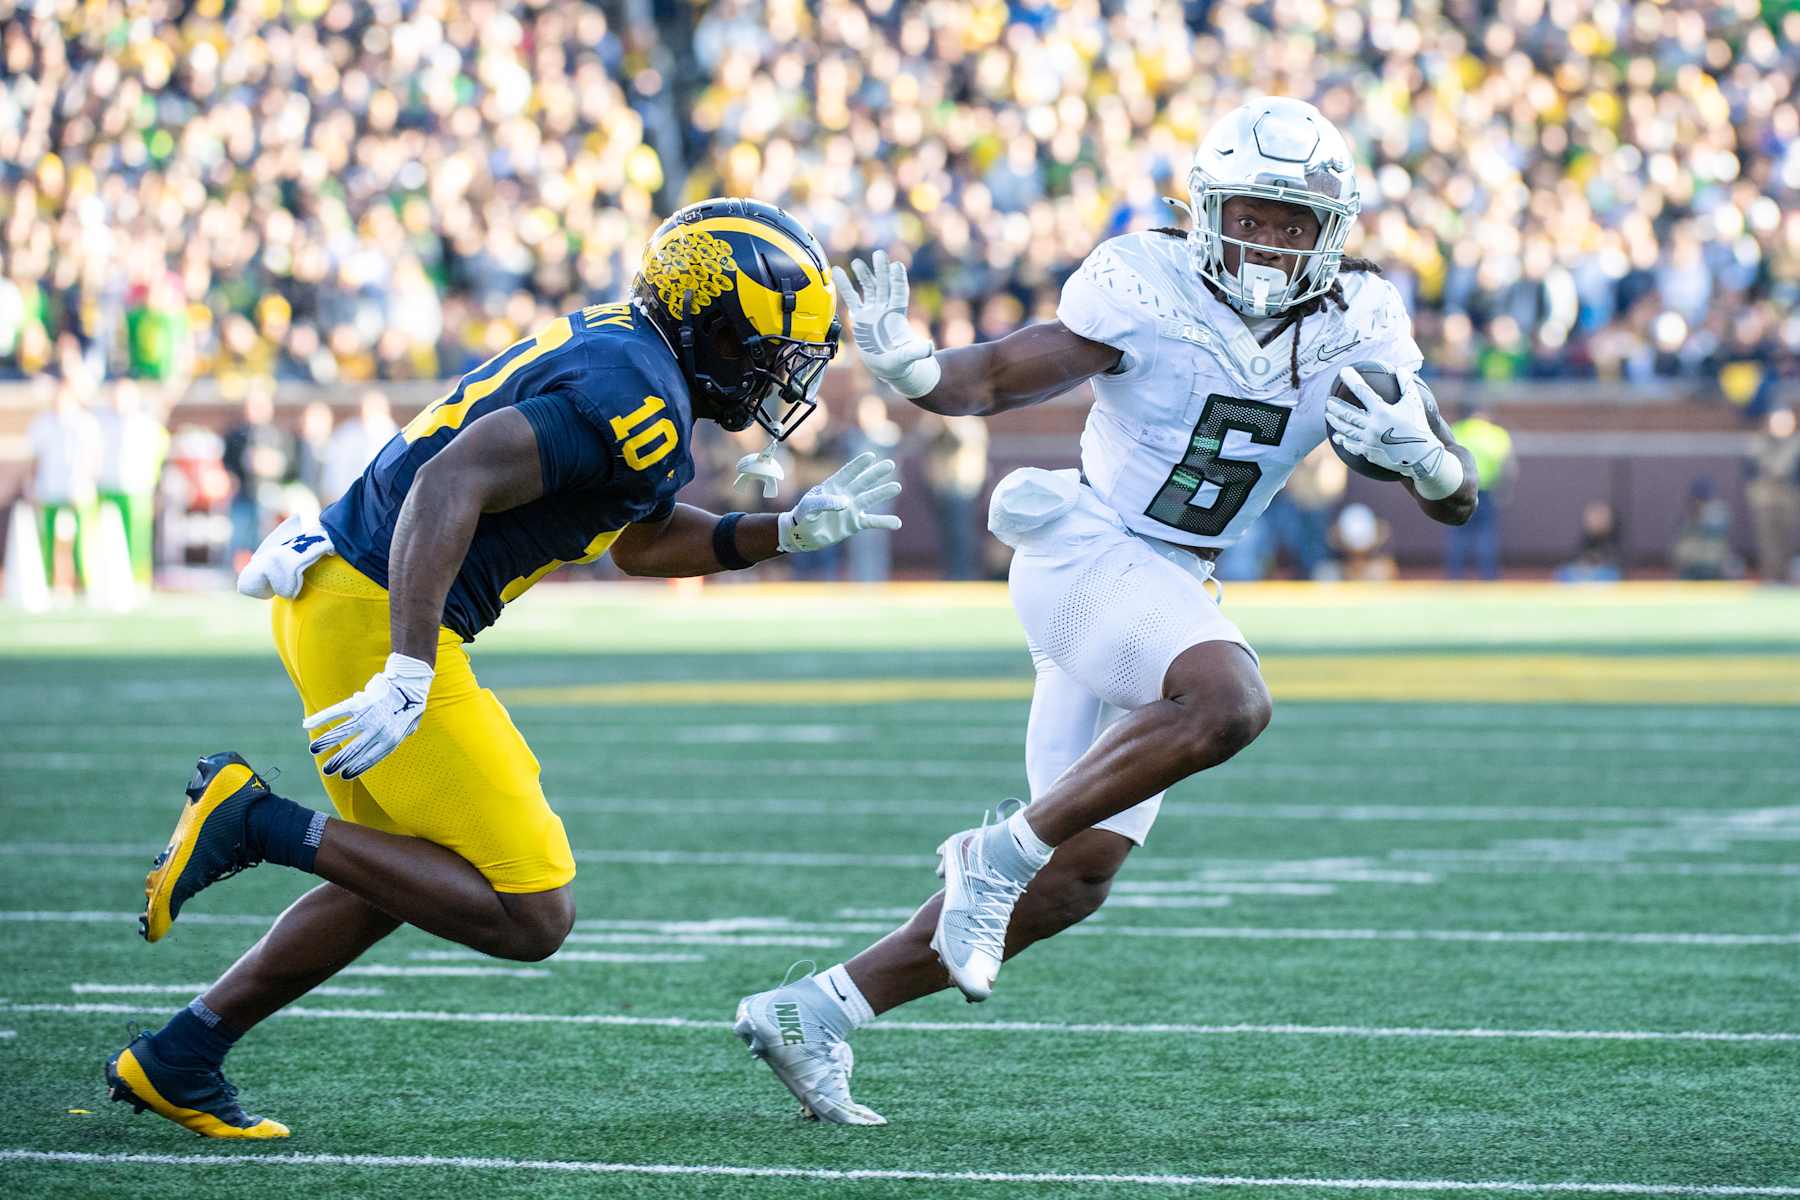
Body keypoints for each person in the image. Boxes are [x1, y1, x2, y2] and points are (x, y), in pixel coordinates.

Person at [733, 99, 1478, 1124]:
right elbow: (1000, 371)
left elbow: (1458, 496)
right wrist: (915, 372)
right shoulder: (1148, 278)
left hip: (1169, 588)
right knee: (1230, 703)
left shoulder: (1364, 321)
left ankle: (817, 1010)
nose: (1268, 239)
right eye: (1252, 214)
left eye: (1293, 220)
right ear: (1209, 210)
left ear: (1333, 230)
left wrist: (1429, 457)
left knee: (1076, 878)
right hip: (1087, 550)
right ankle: (995, 850)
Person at [106, 199, 902, 1139]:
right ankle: (253, 820)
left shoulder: (632, 359)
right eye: (761, 345)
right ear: (707, 318)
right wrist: (406, 666)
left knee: (404, 875)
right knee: (532, 909)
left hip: (350, 595)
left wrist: (782, 531)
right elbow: (453, 478)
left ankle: (183, 1053)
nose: (772, 371)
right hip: (382, 616)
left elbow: (635, 544)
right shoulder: (636, 397)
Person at [25, 378, 103, 592]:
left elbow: (93, 458)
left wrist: (86, 482)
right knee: (48, 540)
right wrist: (33, 484)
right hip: (49, 489)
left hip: (79, 489)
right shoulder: (42, 423)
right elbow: (35, 458)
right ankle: (49, 582)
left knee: (84, 541)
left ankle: (86, 583)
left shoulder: (86, 423)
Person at [1444, 403, 1514, 580]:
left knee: (1459, 533)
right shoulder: (1496, 434)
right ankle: (1488, 577)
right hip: (1485, 490)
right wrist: (1505, 490)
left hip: (1459, 489)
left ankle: (1455, 576)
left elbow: (1443, 460)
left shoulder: (1456, 430)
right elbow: (1508, 466)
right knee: (1486, 534)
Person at [919, 412, 991, 580]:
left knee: (962, 534)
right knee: (947, 535)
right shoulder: (935, 422)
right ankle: (951, 573)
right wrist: (936, 422)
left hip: (962, 488)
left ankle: (964, 574)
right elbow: (925, 439)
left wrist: (951, 422)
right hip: (941, 488)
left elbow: (960, 441)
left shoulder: (971, 423)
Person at [1745, 406, 1800, 584]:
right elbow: (1750, 473)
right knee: (1768, 541)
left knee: (1788, 540)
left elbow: (1789, 472)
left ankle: (1785, 576)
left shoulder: (1795, 444)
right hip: (1765, 499)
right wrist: (1754, 495)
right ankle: (1771, 577)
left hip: (1789, 499)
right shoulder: (1759, 442)